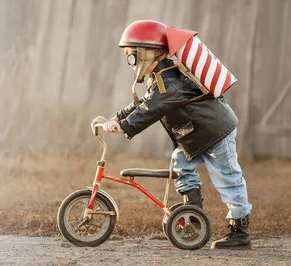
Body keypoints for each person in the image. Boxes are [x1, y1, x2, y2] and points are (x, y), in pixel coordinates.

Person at [94, 20, 252, 249]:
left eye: (132, 56)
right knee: (181, 165)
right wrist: (116, 118)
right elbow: (143, 102)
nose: (130, 62)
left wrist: (127, 126)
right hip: (197, 134)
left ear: (148, 54)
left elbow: (151, 109)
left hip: (216, 131)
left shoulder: (169, 81)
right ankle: (193, 213)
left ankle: (240, 230)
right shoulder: (160, 77)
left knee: (227, 178)